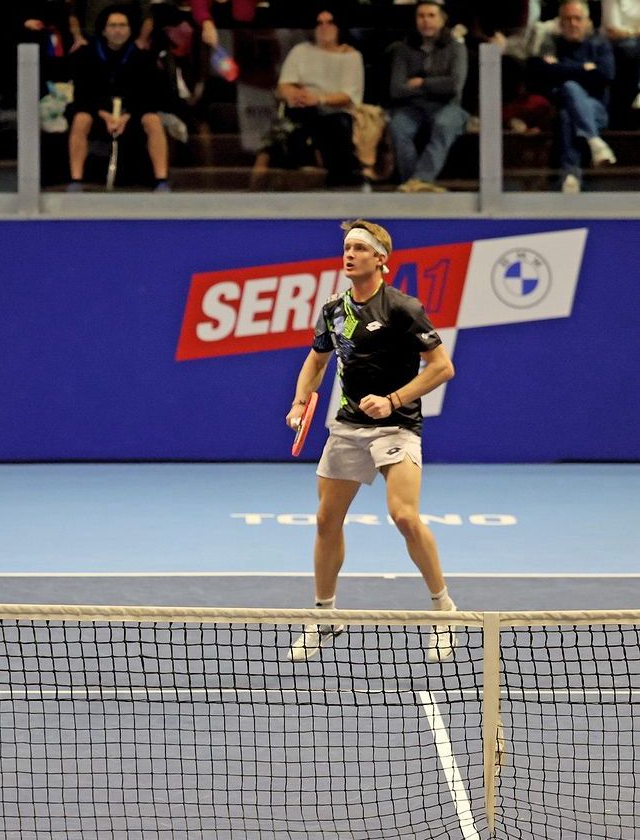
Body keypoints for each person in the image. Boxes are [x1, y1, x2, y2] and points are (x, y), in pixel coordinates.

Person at [284, 219, 458, 663]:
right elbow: (316, 359)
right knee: (326, 521)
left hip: (397, 426)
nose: (350, 253)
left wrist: (394, 399)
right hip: (347, 427)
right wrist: (301, 401)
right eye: (346, 247)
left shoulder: (403, 308)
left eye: (360, 247)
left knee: (403, 516)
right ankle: (324, 617)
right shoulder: (333, 309)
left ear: (380, 259)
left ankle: (444, 611)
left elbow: (441, 367)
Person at [64, 7, 170, 191]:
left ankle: (161, 180)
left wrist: (127, 116)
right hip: (98, 111)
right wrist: (104, 114)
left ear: (130, 30)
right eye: (112, 26)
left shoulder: (142, 56)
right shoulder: (87, 55)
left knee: (153, 121)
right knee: (81, 120)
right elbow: (82, 93)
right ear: (104, 30)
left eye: (122, 25)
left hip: (132, 112)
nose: (118, 30)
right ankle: (76, 180)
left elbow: (149, 94)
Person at [270, 5, 365, 187]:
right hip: (303, 108)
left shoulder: (352, 56)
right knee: (292, 124)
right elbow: (284, 85)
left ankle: (338, 183)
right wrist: (295, 94)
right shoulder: (301, 50)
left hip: (336, 112)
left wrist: (319, 98)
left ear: (338, 27)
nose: (324, 27)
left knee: (338, 126)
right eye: (320, 23)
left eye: (329, 23)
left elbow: (349, 95)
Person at [531, 0, 617, 192]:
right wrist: (584, 69)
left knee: (569, 87)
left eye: (577, 18)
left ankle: (570, 173)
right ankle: (593, 143)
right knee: (566, 113)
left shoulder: (599, 44)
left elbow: (606, 75)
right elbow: (543, 72)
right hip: (564, 110)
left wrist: (562, 69)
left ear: (587, 22)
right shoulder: (553, 44)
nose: (573, 23)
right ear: (560, 23)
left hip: (597, 111)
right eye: (567, 19)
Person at [387, 1, 469, 192]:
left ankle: (420, 180)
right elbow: (397, 89)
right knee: (398, 127)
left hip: (448, 105)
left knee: (444, 124)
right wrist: (436, 85)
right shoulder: (403, 49)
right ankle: (412, 183)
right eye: (421, 16)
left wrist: (422, 82)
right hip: (412, 107)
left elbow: (454, 86)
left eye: (431, 16)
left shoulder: (456, 48)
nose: (426, 21)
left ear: (442, 20)